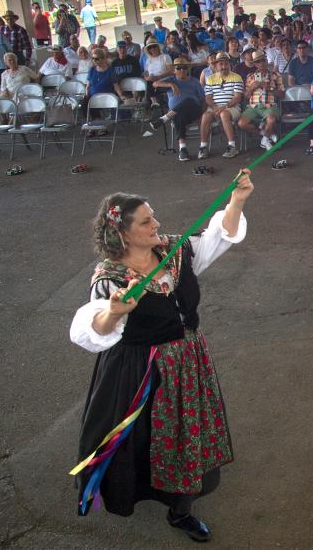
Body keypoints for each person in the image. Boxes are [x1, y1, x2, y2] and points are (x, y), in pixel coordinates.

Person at [69, 174, 253, 539]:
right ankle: (150, 493)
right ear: (122, 233)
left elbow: (215, 241)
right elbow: (94, 328)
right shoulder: (109, 279)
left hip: (188, 359)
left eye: (154, 216)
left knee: (188, 431)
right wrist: (116, 311)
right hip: (142, 369)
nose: (156, 224)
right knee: (147, 438)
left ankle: (181, 508)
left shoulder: (175, 251)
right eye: (146, 221)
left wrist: (237, 201)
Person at [154, 57, 207, 161]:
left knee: (189, 100)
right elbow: (154, 84)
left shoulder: (195, 81)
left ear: (188, 69)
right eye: (178, 68)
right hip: (178, 114)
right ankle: (183, 149)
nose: (182, 70)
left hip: (194, 111)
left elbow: (203, 100)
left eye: (184, 68)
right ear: (174, 70)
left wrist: (203, 114)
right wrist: (171, 84)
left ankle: (165, 118)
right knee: (178, 115)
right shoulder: (171, 80)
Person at [200, 52, 244, 159]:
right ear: (216, 66)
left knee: (224, 114)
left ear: (230, 65)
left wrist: (223, 107)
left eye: (226, 64)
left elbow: (237, 97)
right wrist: (215, 107)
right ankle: (203, 147)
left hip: (232, 107)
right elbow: (208, 97)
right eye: (221, 64)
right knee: (205, 116)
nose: (223, 67)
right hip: (214, 107)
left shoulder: (237, 77)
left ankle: (232, 146)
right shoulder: (210, 79)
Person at [238, 50, 284, 151]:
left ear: (266, 61)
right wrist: (251, 88)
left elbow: (282, 94)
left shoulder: (275, 75)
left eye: (263, 60)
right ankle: (266, 134)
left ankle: (264, 141)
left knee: (271, 120)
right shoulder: (250, 76)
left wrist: (269, 88)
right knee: (241, 123)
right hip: (253, 106)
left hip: (269, 105)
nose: (261, 63)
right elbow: (245, 97)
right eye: (258, 61)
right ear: (254, 64)